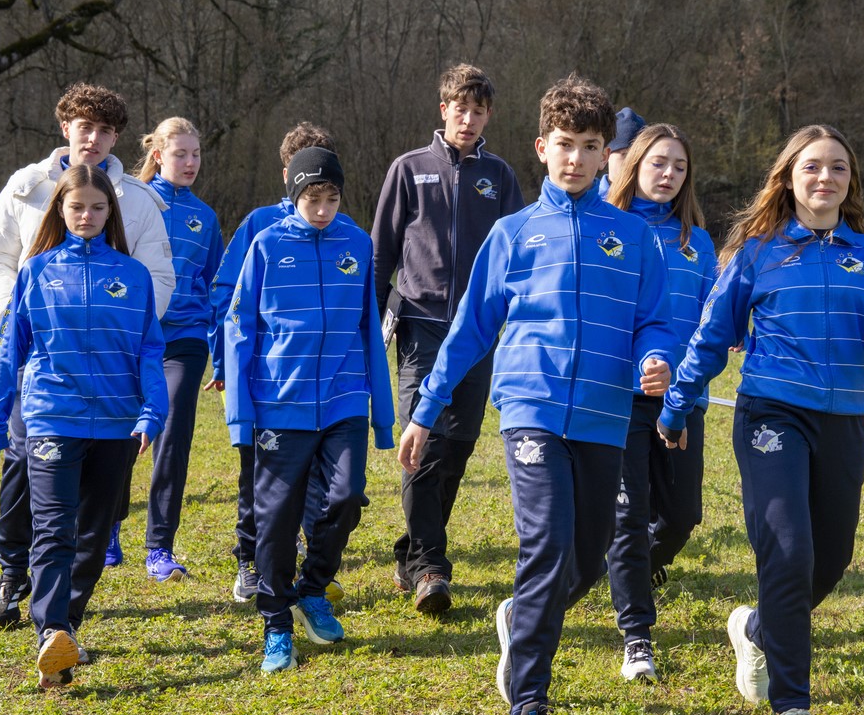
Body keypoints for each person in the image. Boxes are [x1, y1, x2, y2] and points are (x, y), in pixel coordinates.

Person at [398, 74, 675, 715]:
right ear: (541, 148)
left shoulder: (634, 238)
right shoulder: (513, 234)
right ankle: (529, 697)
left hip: (604, 416)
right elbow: (469, 332)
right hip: (531, 412)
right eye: (564, 144)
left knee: (587, 558)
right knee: (546, 545)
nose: (575, 158)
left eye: (589, 146)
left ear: (607, 154)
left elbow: (654, 320)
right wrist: (426, 411)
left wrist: (655, 357)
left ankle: (522, 617)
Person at [657, 124, 864, 715]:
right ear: (789, 178)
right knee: (788, 550)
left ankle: (756, 629)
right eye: (812, 166)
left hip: (845, 420)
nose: (825, 177)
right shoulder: (758, 252)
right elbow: (711, 336)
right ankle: (792, 702)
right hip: (771, 415)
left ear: (850, 181)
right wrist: (677, 405)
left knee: (831, 559)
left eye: (838, 167)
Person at [0, 82, 174, 628]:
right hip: (38, 364)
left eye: (105, 130)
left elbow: (157, 277)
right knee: (22, 477)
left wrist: (115, 328)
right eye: (85, 127)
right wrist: (15, 316)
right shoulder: (25, 186)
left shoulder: (138, 200)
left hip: (109, 373)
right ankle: (13, 575)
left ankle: (59, 613)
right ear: (66, 128)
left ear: (116, 138)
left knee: (91, 510)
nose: (93, 138)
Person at [225, 147, 394, 673]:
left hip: (344, 397)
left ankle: (313, 589)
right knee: (276, 521)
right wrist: (240, 414)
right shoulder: (267, 244)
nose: (322, 209)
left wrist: (383, 414)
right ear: (294, 195)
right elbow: (239, 327)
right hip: (280, 402)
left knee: (346, 497)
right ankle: (276, 623)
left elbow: (369, 327)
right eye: (311, 198)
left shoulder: (358, 243)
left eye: (332, 198)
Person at [373, 63, 524, 614]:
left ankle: (411, 552)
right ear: (444, 110)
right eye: (460, 109)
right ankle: (431, 567)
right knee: (423, 443)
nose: (468, 119)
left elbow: (519, 257)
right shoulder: (409, 169)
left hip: (478, 332)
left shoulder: (500, 177)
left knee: (456, 448)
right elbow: (382, 253)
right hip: (420, 325)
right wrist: (369, 325)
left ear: (488, 116)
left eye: (478, 111)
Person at [208, 121, 343, 604]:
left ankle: (306, 566)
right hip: (268, 380)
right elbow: (228, 294)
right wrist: (224, 361)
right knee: (258, 471)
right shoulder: (260, 225)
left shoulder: (343, 231)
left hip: (324, 385)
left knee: (319, 479)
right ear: (287, 172)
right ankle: (249, 559)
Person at [603, 124, 718, 682]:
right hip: (619, 397)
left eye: (679, 166)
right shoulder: (609, 228)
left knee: (681, 516)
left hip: (682, 398)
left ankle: (627, 569)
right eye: (658, 162)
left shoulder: (698, 241)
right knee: (628, 516)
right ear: (634, 166)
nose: (669, 174)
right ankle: (637, 637)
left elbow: (714, 316)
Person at [105, 117, 223, 581]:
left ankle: (160, 548)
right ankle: (108, 530)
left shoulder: (206, 217)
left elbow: (216, 287)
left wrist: (219, 351)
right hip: (131, 337)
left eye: (196, 154)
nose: (191, 163)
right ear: (158, 155)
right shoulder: (128, 201)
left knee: (172, 438)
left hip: (184, 340)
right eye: (180, 154)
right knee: (121, 433)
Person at [600, 107, 647, 193]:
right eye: (625, 154)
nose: (632, 163)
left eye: (639, 156)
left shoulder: (656, 199)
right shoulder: (589, 198)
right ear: (606, 156)